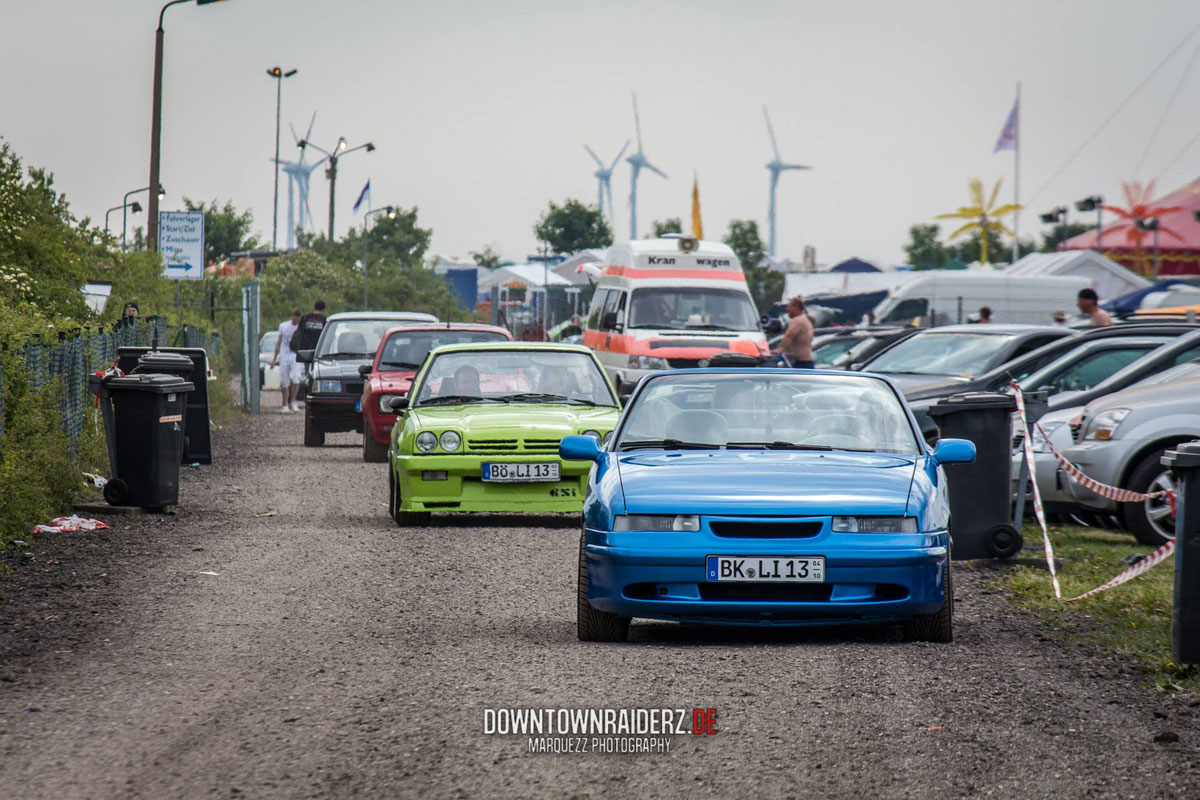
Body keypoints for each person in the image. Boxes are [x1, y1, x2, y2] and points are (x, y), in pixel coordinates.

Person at [271, 309, 303, 413]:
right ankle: (284, 403)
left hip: (295, 355)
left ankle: (293, 401)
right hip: (284, 355)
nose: (296, 320)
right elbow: (279, 342)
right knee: (284, 380)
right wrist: (274, 358)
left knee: (296, 378)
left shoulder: (300, 327)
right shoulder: (283, 326)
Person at [775, 295, 815, 368]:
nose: (787, 309)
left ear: (796, 307)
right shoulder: (805, 319)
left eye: (789, 307)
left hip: (801, 363)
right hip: (806, 361)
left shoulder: (798, 320)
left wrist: (779, 349)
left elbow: (789, 336)